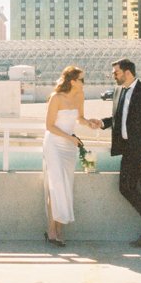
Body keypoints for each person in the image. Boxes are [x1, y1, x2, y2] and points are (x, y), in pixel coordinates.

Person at [94, 58, 141, 248]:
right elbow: (119, 118)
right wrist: (102, 123)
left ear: (128, 72)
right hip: (128, 150)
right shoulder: (119, 91)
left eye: (115, 72)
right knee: (125, 187)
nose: (113, 76)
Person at [42, 65, 98, 247]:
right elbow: (49, 126)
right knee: (55, 185)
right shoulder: (56, 98)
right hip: (54, 144)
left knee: (65, 186)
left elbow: (79, 118)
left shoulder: (80, 96)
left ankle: (59, 229)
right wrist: (70, 138)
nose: (84, 83)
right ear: (73, 81)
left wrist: (89, 123)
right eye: (82, 79)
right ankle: (52, 230)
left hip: (69, 147)